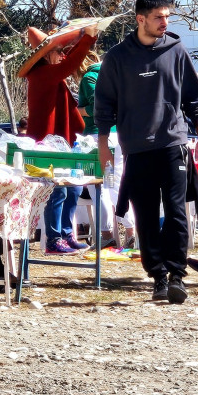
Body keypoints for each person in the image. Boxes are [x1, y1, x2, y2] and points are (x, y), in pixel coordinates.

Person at [95, 0, 198, 304]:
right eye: (159, 17)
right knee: (145, 215)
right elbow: (104, 105)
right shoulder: (117, 57)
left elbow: (194, 99)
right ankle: (157, 276)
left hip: (173, 142)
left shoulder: (176, 49)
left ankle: (177, 275)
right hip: (136, 148)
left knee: (176, 212)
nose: (165, 22)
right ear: (140, 19)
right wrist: (104, 146)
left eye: (167, 17)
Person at [21, 22, 98, 255]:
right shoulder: (42, 73)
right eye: (58, 50)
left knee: (73, 188)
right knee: (57, 191)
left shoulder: (51, 72)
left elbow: (69, 62)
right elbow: (71, 64)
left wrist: (86, 39)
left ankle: (65, 233)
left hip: (62, 141)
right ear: (46, 54)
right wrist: (87, 39)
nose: (62, 54)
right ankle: (53, 239)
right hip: (47, 143)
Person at [76, 52, 135, 248]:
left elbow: (96, 108)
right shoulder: (115, 73)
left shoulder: (89, 77)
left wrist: (78, 110)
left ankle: (107, 233)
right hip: (119, 135)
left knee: (97, 186)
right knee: (117, 183)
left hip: (97, 138)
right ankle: (130, 231)